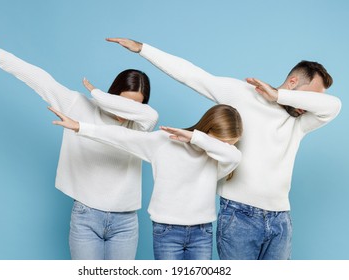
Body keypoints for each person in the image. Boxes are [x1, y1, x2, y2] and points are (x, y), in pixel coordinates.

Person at [105, 37, 342, 260]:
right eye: (307, 97)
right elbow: (193, 76)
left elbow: (334, 106)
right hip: (239, 216)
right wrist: (143, 49)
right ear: (293, 82)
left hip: (280, 220)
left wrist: (279, 96)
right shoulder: (243, 94)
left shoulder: (300, 121)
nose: (306, 106)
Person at [0, 32, 159, 260]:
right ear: (114, 93)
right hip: (86, 216)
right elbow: (43, 82)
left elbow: (151, 116)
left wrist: (99, 95)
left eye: (135, 106)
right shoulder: (78, 106)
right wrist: (1, 57)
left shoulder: (138, 127)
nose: (125, 112)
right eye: (121, 102)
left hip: (126, 221)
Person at [48, 96, 243, 260]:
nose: (226, 148)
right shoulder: (165, 142)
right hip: (167, 231)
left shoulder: (221, 158)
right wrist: (80, 127)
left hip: (202, 232)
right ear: (209, 129)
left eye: (230, 145)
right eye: (224, 143)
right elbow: (123, 137)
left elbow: (235, 156)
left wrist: (196, 138)